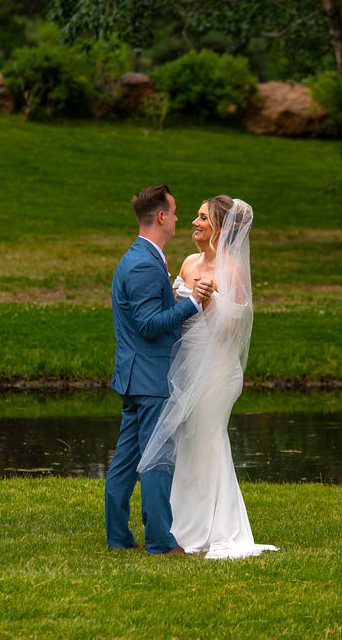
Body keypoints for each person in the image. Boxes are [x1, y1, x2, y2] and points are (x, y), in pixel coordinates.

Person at [138, 195, 278, 560]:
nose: (194, 222)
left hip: (216, 371)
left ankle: (217, 528)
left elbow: (229, 331)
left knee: (207, 440)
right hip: (185, 366)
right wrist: (176, 300)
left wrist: (207, 298)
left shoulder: (231, 269)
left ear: (219, 227)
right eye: (196, 217)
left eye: (202, 218)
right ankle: (181, 526)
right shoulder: (187, 262)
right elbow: (176, 315)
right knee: (186, 444)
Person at [105, 184, 214, 555]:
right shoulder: (142, 264)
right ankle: (159, 542)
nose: (181, 218)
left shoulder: (140, 258)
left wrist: (177, 296)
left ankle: (119, 538)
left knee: (127, 460)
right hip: (150, 378)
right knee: (156, 459)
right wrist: (193, 303)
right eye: (176, 211)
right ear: (162, 216)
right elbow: (150, 325)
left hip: (136, 375)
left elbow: (146, 314)